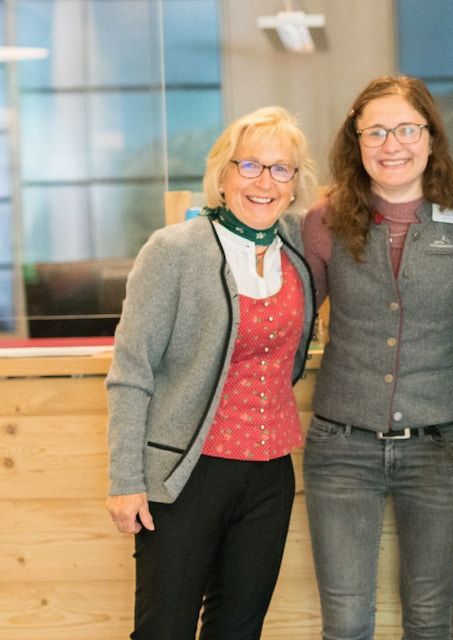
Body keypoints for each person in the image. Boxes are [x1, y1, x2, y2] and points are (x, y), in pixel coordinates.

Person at [105, 106, 318, 638]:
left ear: (295, 184)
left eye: (280, 169)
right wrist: (125, 480)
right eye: (248, 166)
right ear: (222, 175)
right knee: (165, 630)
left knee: (238, 629)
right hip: (186, 472)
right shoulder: (174, 251)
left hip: (269, 474)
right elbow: (132, 371)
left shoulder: (296, 250)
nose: (264, 182)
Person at [301, 76, 453, 640]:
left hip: (440, 448)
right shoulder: (324, 220)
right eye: (376, 131)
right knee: (347, 624)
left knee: (431, 621)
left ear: (430, 137)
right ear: (355, 142)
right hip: (340, 449)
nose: (392, 144)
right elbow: (291, 318)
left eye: (407, 129)